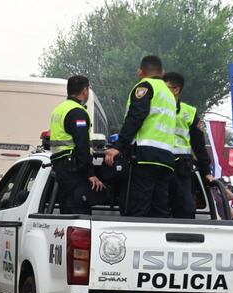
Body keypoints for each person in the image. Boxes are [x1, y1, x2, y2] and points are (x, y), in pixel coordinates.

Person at [105, 55, 177, 218]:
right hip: (165, 159)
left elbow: (136, 116)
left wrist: (118, 146)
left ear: (140, 72)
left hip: (145, 156)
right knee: (159, 210)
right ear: (162, 72)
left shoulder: (145, 87)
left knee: (137, 208)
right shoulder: (169, 95)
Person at [49, 75, 105, 214]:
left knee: (67, 208)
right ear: (85, 90)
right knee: (78, 211)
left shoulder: (59, 109)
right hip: (74, 170)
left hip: (61, 168)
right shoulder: (77, 112)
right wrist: (90, 173)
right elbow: (82, 145)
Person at [162, 72, 212, 219]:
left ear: (176, 89)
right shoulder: (155, 109)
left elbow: (199, 146)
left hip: (181, 168)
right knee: (158, 208)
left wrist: (206, 172)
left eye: (165, 89)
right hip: (159, 163)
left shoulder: (189, 112)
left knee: (186, 208)